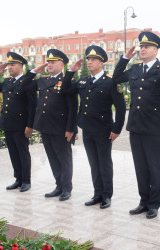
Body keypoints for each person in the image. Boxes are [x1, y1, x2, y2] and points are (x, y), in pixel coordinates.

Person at [112, 31, 160, 219]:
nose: (142, 49)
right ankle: (143, 201)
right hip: (135, 125)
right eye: (141, 47)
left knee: (154, 167)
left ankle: (154, 204)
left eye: (146, 47)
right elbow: (116, 77)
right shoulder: (134, 69)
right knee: (140, 167)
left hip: (154, 127)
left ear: (155, 50)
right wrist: (125, 58)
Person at [61, 45, 126, 209]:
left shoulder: (111, 82)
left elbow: (120, 107)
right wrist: (71, 72)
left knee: (104, 163)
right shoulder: (83, 80)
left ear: (101, 63)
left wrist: (117, 130)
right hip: (87, 129)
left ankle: (106, 196)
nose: (89, 62)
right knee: (93, 163)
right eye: (88, 59)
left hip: (104, 129)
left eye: (93, 59)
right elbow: (65, 89)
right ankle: (97, 194)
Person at [22, 49, 78, 201]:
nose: (49, 64)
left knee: (64, 159)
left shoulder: (67, 81)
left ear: (61, 64)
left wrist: (70, 129)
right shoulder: (43, 80)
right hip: (45, 126)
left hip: (61, 128)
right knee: (52, 158)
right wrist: (33, 71)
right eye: (48, 62)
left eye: (53, 62)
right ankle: (58, 185)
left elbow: (73, 108)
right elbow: (25, 86)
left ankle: (67, 187)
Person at [0, 52, 36, 192]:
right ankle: (18, 179)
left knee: (22, 152)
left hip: (21, 125)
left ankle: (26, 180)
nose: (9, 67)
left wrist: (30, 125)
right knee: (13, 152)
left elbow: (32, 105)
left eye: (12, 65)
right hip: (8, 123)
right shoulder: (8, 82)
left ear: (21, 66)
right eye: (8, 65)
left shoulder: (27, 82)